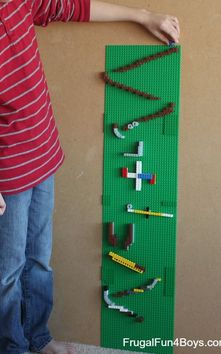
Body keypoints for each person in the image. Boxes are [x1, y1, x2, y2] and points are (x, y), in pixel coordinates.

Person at [0, 0, 180, 353]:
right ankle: (11, 346)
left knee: (39, 262)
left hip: (43, 155)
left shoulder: (16, 2)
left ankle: (37, 339)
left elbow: (72, 7)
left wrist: (142, 16)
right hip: (7, 174)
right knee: (7, 273)